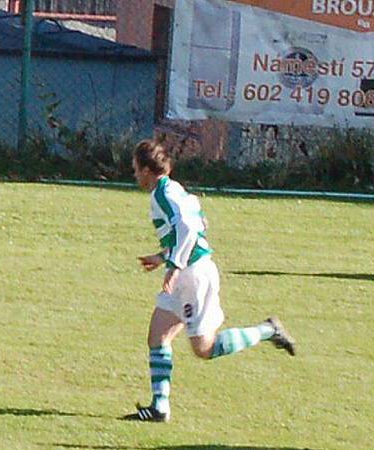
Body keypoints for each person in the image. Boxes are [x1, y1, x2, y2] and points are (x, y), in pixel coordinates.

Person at [127, 139, 296, 422]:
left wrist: (175, 266)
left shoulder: (163, 195)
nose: (134, 175)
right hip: (187, 272)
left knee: (203, 349)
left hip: (194, 277)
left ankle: (268, 330)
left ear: (146, 169)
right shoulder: (172, 189)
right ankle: (160, 408)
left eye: (135, 169)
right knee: (157, 335)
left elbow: (189, 227)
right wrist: (162, 257)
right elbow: (196, 224)